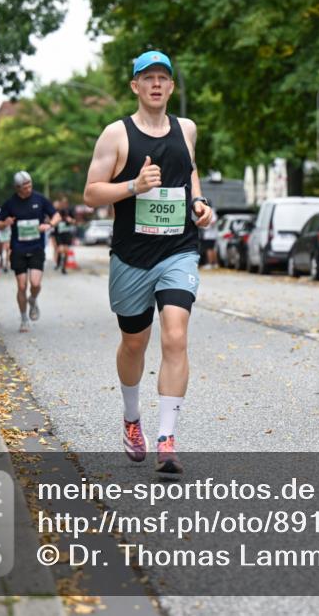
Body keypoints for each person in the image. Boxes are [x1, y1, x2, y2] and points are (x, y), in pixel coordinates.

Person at [83, 50, 213, 475]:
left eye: (163, 77)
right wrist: (133, 186)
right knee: (134, 343)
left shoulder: (186, 129)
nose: (156, 84)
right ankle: (132, 417)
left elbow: (190, 170)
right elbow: (91, 193)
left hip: (178, 250)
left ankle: (167, 439)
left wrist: (198, 202)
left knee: (175, 336)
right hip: (132, 259)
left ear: (172, 86)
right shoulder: (116, 135)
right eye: (148, 77)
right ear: (135, 86)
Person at [0, 171, 60, 332]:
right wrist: (6, 222)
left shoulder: (39, 199)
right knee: (22, 286)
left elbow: (56, 215)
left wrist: (49, 225)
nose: (29, 188)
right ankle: (24, 319)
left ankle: (33, 299)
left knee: (36, 283)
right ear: (17, 188)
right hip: (18, 248)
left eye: (30, 185)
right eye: (25, 187)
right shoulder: (10, 203)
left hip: (37, 247)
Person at [53, 196, 76, 274]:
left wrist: (70, 220)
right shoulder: (57, 211)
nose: (64, 204)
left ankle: (64, 268)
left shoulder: (70, 211)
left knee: (66, 251)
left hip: (67, 233)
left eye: (65, 202)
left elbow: (74, 221)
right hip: (59, 234)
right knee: (60, 249)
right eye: (62, 202)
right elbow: (53, 220)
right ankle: (58, 262)